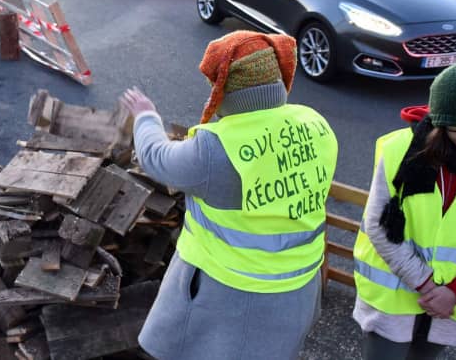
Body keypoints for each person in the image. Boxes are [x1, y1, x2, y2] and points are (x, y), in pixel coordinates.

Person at [119, 30, 339, 359]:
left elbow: (158, 158)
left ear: (225, 91)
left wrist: (146, 115)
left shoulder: (218, 149)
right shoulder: (316, 125)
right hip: (298, 291)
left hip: (231, 295)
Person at [353, 61, 456, 359]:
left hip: (450, 303)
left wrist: (455, 291)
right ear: (437, 119)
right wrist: (427, 285)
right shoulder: (398, 150)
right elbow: (377, 225)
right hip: (395, 297)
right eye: (455, 127)